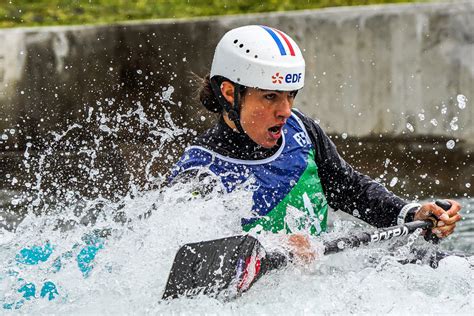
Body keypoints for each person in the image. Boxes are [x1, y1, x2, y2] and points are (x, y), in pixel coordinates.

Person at [169, 25, 461, 261]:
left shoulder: (300, 129)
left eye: (290, 94)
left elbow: (350, 189)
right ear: (230, 93)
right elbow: (184, 252)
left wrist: (411, 213)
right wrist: (269, 246)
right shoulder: (199, 170)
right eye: (270, 96)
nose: (285, 110)